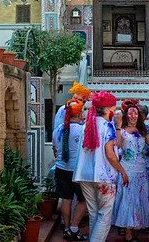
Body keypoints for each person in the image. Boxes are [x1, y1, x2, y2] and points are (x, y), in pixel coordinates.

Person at [74, 91, 129, 242]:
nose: (115, 111)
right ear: (107, 110)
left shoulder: (87, 125)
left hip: (85, 175)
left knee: (94, 213)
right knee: (104, 216)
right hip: (103, 176)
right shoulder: (107, 126)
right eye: (113, 108)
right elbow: (110, 154)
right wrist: (122, 171)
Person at [113, 100, 149, 241]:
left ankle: (134, 227)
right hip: (128, 170)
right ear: (126, 115)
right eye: (130, 114)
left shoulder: (142, 130)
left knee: (139, 199)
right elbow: (118, 145)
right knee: (129, 200)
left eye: (136, 114)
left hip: (141, 170)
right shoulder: (122, 130)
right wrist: (118, 128)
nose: (133, 116)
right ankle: (128, 232)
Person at [53, 99, 88, 241]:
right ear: (79, 114)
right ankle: (74, 227)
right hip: (77, 171)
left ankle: (67, 228)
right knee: (84, 200)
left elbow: (55, 150)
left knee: (66, 199)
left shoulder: (58, 130)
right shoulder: (82, 130)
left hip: (61, 169)